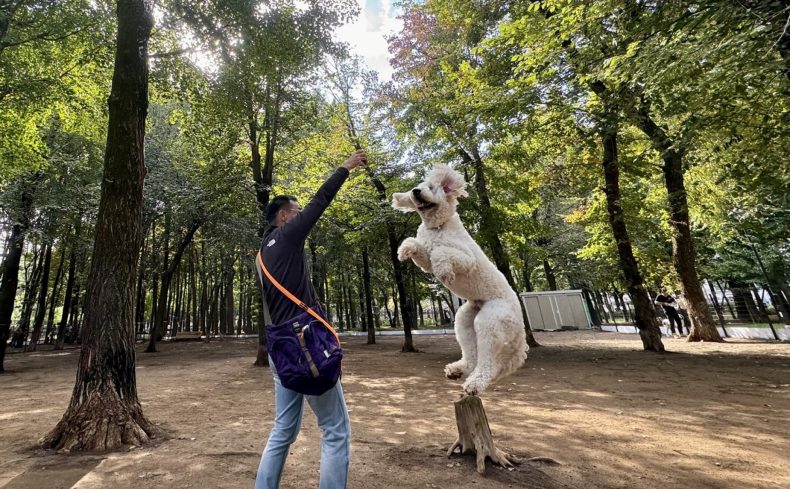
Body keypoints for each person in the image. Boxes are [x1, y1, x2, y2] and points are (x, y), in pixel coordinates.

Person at [254, 149, 367, 489]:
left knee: (283, 429)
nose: (302, 216)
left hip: (281, 351)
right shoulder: (288, 236)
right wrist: (345, 167)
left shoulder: (261, 255)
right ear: (284, 217)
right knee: (335, 429)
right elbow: (320, 202)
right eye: (297, 212)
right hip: (307, 347)